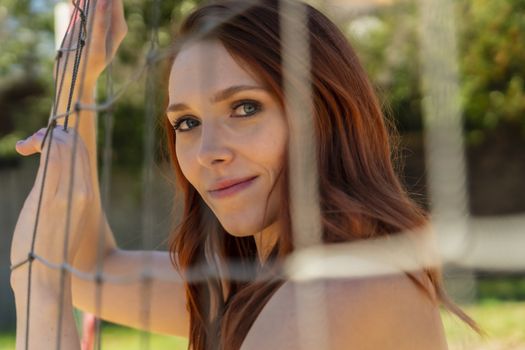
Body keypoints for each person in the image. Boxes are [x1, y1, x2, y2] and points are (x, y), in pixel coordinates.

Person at [10, 0, 478, 349]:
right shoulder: (255, 279)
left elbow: (68, 278)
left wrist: (38, 292)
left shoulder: (346, 288)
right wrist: (79, 80)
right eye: (187, 123)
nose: (208, 152)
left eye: (244, 108)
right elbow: (93, 272)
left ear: (324, 115)